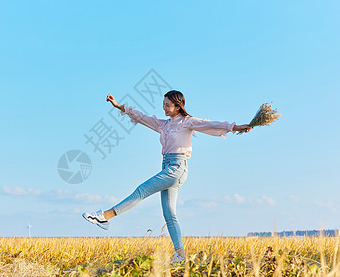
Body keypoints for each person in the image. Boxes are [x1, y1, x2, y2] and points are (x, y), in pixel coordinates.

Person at [82, 90, 252, 264]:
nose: (164, 107)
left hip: (177, 168)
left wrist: (237, 127)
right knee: (170, 215)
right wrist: (118, 105)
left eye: (168, 105)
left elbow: (212, 124)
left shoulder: (188, 122)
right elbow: (141, 117)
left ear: (178, 107)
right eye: (163, 104)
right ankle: (180, 255)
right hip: (167, 166)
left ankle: (104, 216)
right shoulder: (164, 125)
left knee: (141, 190)